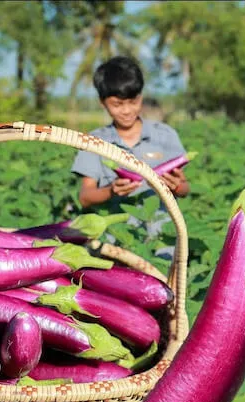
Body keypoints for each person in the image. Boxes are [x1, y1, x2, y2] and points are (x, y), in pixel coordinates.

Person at [70, 56, 190, 257]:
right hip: (114, 243)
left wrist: (176, 185)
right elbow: (85, 197)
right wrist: (111, 191)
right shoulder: (94, 141)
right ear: (103, 103)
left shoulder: (165, 135)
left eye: (133, 102)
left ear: (141, 97)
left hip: (161, 241)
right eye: (117, 104)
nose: (126, 111)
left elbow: (185, 188)